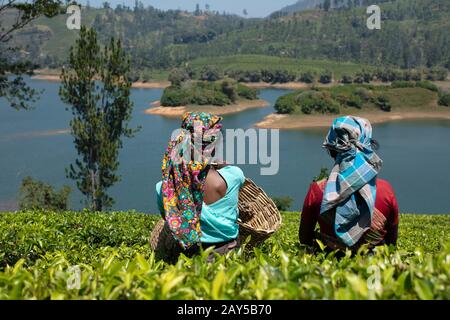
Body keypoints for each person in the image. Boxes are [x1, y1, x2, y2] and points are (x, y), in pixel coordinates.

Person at [299, 116, 399, 251]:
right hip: (374, 268)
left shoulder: (317, 191)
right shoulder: (385, 190)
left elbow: (305, 239)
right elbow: (391, 241)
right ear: (367, 146)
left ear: (333, 147)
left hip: (328, 266)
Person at [155, 112, 245, 260]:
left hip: (185, 255)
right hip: (227, 252)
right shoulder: (234, 176)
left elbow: (167, 217)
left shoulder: (164, 188)